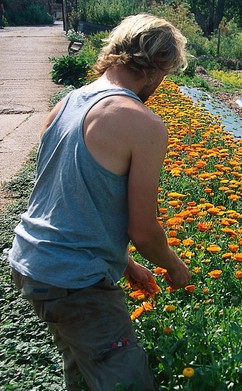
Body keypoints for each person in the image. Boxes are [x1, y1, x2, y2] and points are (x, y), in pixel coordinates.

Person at [8, 13, 192, 390]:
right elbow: (142, 230)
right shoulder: (142, 123)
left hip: (30, 262)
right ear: (158, 69)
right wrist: (175, 268)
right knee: (126, 380)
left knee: (84, 370)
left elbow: (65, 200)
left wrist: (124, 264)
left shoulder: (67, 103)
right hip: (74, 282)